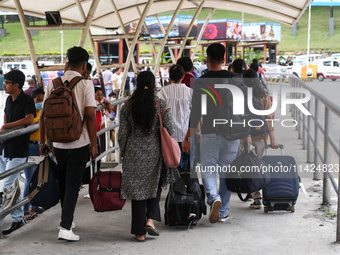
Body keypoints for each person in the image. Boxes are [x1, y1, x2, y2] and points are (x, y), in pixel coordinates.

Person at [182, 44, 251, 223]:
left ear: (207, 59)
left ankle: (214, 198)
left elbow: (196, 112)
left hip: (209, 132)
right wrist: (247, 134)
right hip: (232, 133)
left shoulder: (201, 82)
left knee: (208, 168)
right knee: (227, 172)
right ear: (224, 58)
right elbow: (243, 109)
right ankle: (223, 211)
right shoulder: (236, 80)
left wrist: (188, 137)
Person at [39, 46, 98, 241]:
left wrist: (42, 141)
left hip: (57, 142)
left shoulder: (53, 83)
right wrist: (94, 144)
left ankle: (67, 219)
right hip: (78, 142)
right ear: (83, 65)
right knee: (73, 183)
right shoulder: (85, 83)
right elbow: (90, 115)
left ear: (67, 63)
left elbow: (43, 116)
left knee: (65, 182)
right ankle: (65, 227)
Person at [118, 71, 174, 242]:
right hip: (154, 151)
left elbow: (123, 134)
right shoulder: (159, 104)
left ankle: (139, 233)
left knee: (137, 192)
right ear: (154, 84)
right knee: (154, 186)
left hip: (133, 152)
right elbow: (170, 129)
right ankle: (150, 220)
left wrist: (123, 149)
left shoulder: (128, 106)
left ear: (136, 83)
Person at [0, 70, 36, 235]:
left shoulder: (27, 100)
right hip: (6, 147)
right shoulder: (8, 99)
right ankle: (17, 219)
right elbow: (6, 116)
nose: (4, 85)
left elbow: (29, 119)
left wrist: (7, 127)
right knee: (13, 186)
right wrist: (5, 131)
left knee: (6, 187)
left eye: (6, 82)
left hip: (19, 149)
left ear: (16, 85)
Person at [243, 69, 279, 209]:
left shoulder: (240, 94)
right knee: (257, 166)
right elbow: (269, 118)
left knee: (245, 166)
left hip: (242, 136)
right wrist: (273, 139)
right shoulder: (264, 95)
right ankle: (257, 197)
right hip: (260, 136)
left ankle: (252, 193)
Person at [158, 64, 192, 170]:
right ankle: (184, 185)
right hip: (185, 134)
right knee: (185, 165)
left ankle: (174, 185)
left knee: (171, 165)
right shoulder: (190, 92)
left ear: (170, 77)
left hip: (169, 135)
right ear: (183, 77)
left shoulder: (163, 91)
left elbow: (158, 109)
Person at [23, 88, 45, 221]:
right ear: (33, 99)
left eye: (43, 100)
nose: (40, 103)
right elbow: (27, 130)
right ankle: (25, 211)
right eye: (38, 100)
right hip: (31, 147)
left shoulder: (44, 111)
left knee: (36, 179)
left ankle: (33, 207)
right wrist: (39, 120)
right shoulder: (30, 113)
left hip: (40, 147)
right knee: (29, 180)